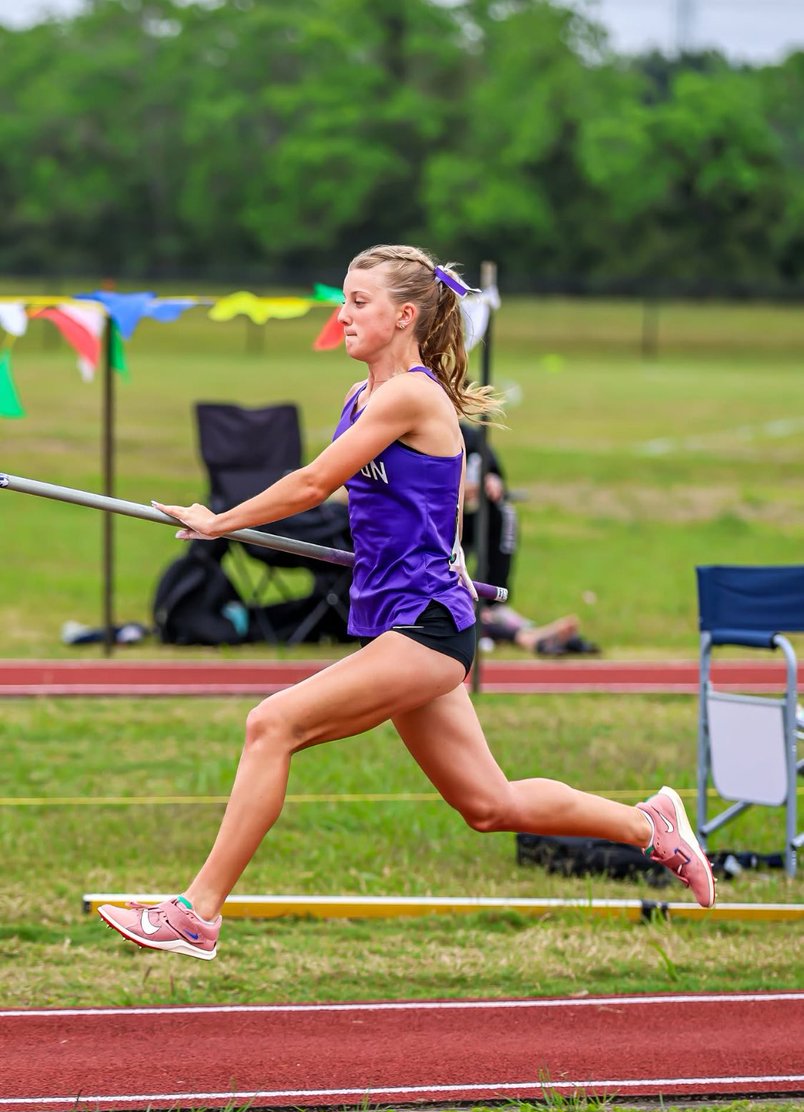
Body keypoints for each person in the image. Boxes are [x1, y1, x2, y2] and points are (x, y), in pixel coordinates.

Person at [98, 244, 715, 960]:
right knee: (489, 805)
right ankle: (651, 824)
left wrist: (218, 522)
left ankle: (197, 912)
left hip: (426, 629)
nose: (344, 314)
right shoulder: (363, 398)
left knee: (273, 725)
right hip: (398, 619)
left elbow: (310, 486)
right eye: (345, 300)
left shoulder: (412, 395)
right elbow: (401, 514)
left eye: (359, 303)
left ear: (405, 315)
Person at [460, 420, 600, 657]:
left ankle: (500, 613)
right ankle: (528, 637)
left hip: (472, 519)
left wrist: (493, 483)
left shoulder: (471, 437)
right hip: (435, 528)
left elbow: (495, 476)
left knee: (505, 513)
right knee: (447, 606)